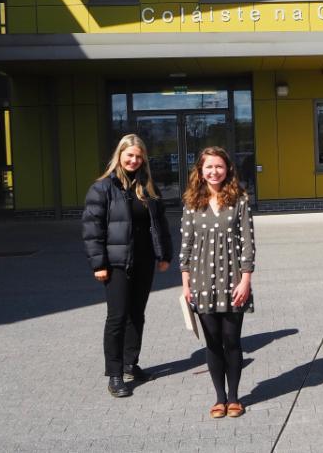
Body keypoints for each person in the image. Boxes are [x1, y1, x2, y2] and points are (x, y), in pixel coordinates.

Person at [82, 134, 172, 398]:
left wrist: (164, 254)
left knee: (137, 314)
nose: (134, 160)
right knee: (117, 317)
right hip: (117, 263)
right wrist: (98, 263)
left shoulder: (148, 187)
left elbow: (161, 224)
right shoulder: (102, 188)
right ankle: (115, 373)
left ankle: (131, 362)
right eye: (129, 155)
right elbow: (91, 229)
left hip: (144, 261)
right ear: (119, 155)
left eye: (138, 156)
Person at [180, 146, 256, 418]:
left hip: (232, 282)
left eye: (219, 166)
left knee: (232, 341)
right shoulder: (192, 201)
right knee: (212, 343)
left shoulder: (240, 200)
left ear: (227, 169)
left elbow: (248, 242)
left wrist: (245, 280)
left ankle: (234, 397)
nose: (214, 171)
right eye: (208, 167)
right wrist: (186, 285)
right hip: (201, 283)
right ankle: (219, 398)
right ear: (200, 171)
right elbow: (186, 246)